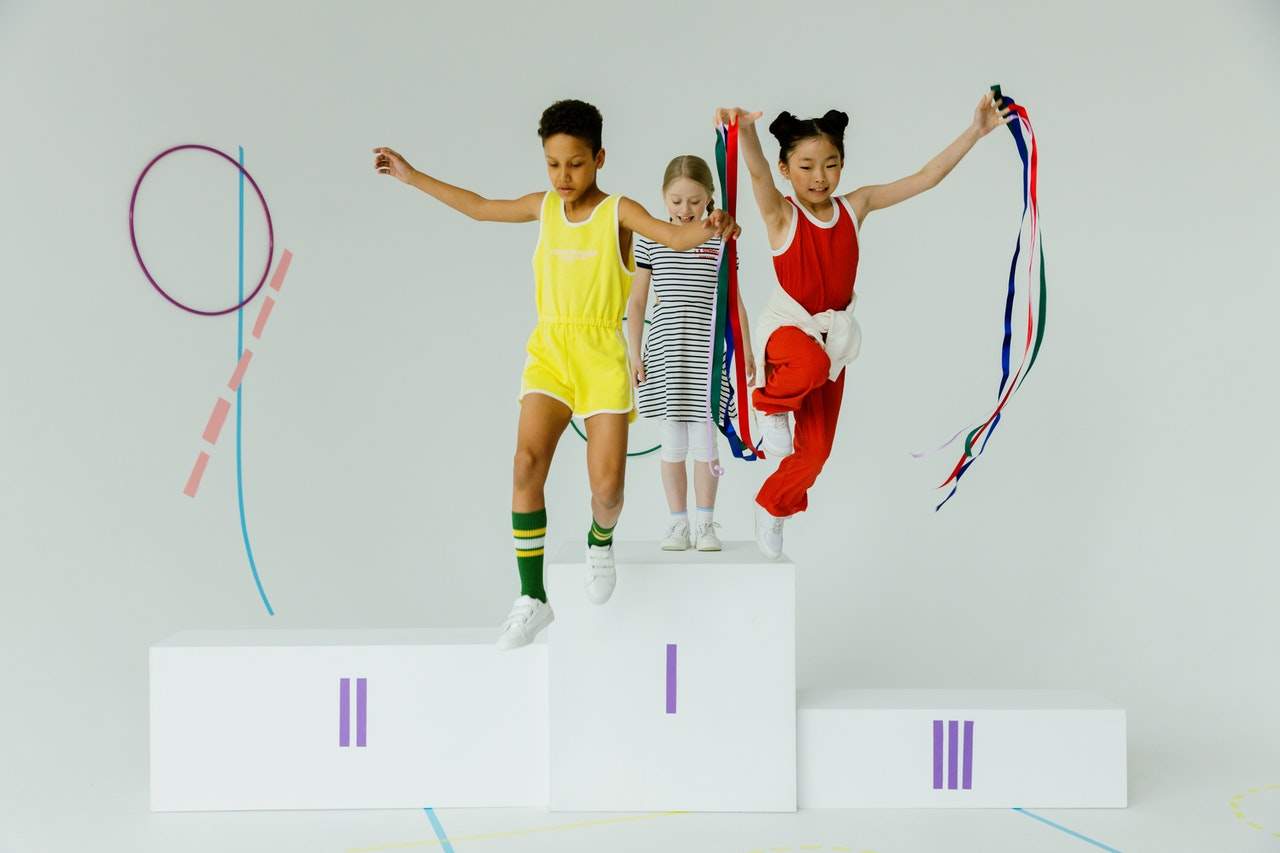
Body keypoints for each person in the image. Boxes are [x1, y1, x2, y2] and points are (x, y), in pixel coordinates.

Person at [374, 99, 739, 648]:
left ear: (599, 158)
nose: (563, 176)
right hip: (550, 349)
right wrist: (412, 176)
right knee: (525, 463)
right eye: (552, 164)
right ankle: (532, 596)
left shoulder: (618, 212)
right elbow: (479, 207)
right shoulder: (543, 207)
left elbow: (673, 237)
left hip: (600, 353)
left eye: (575, 163)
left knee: (608, 491)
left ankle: (600, 541)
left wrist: (713, 226)